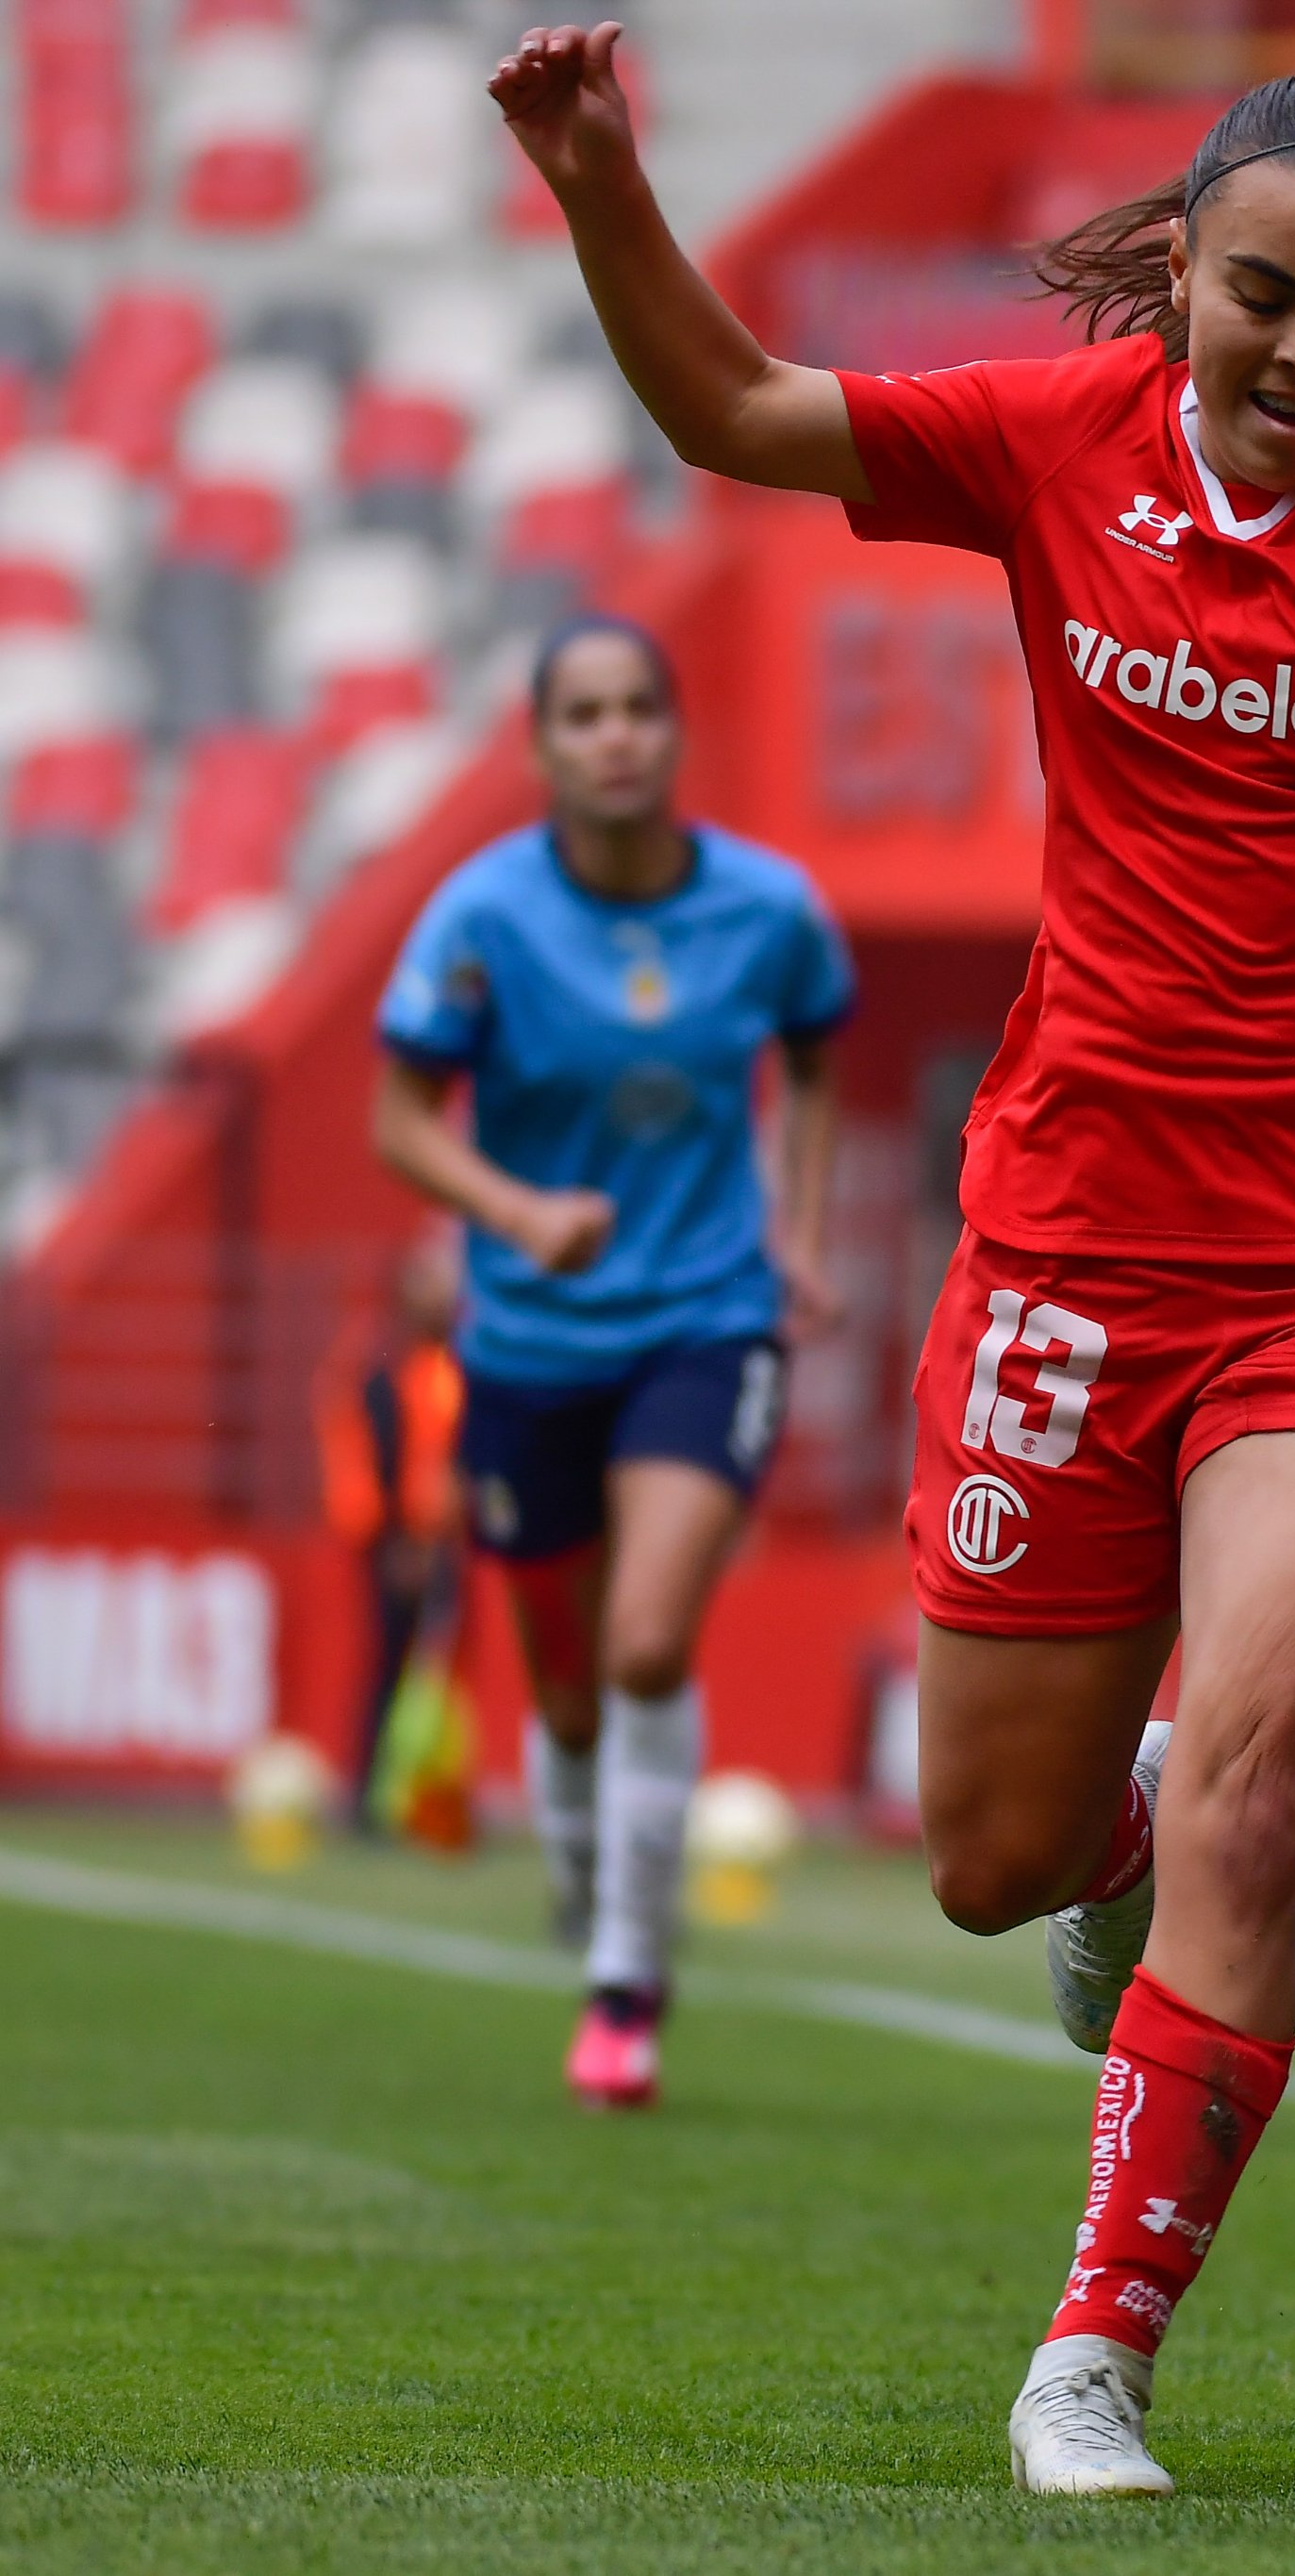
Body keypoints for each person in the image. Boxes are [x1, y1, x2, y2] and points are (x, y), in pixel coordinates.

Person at [489, 25, 1295, 2497]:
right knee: (998, 1862)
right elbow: (736, 413)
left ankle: (1094, 2348)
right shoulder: (1051, 441)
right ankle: (1114, 1838)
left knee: (1263, 1777)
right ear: (1182, 269)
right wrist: (597, 185)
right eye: (1274, 296)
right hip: (1073, 1232)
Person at [372, 608, 848, 2105]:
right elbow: (392, 1116)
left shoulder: (769, 908)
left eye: (639, 705)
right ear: (541, 748)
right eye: (583, 714)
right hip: (526, 1341)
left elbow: (821, 1052)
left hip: (707, 1320)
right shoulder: (479, 919)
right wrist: (514, 1211)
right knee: (567, 1688)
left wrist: (802, 1232)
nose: (616, 735)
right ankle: (584, 1860)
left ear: (677, 729)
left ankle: (626, 1982)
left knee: (648, 1639)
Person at [315, 1228, 465, 1833]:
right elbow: (385, 1457)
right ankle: (365, 1798)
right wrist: (400, 1542)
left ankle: (430, 1800)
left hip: (442, 1543)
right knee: (389, 1666)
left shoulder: (450, 1367)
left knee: (438, 1675)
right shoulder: (388, 1368)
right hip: (400, 1544)